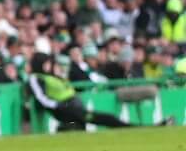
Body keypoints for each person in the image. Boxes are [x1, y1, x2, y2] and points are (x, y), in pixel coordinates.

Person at [26, 53, 169, 130]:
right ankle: (136, 128)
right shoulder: (36, 77)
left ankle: (64, 130)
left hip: (72, 105)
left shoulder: (50, 76)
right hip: (66, 108)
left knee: (82, 125)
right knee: (103, 118)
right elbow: (41, 97)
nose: (49, 66)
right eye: (46, 63)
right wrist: (58, 105)